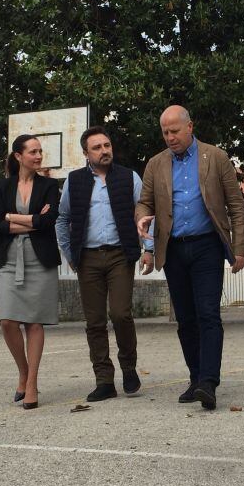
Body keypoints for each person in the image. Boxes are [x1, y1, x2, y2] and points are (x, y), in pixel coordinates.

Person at [136, 105, 244, 410]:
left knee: (208, 314)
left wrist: (239, 249)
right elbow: (144, 203)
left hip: (207, 246)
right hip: (172, 249)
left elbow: (236, 206)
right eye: (165, 132)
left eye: (175, 131)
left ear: (190, 127)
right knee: (185, 319)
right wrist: (143, 218)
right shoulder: (156, 164)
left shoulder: (216, 157)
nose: (170, 137)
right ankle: (196, 377)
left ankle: (209, 382)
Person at [56, 126, 155, 402]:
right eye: (97, 147)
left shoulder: (128, 177)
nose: (104, 151)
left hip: (120, 255)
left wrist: (149, 248)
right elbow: (62, 219)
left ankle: (129, 368)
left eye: (107, 145)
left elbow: (146, 213)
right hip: (87, 258)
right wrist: (69, 253)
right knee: (95, 321)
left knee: (121, 313)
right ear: (86, 153)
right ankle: (104, 380)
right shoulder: (74, 181)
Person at [0, 134, 62, 409]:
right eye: (33, 151)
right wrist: (31, 221)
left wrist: (11, 216)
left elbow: (49, 221)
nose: (39, 156)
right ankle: (23, 371)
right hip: (8, 258)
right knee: (7, 321)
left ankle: (32, 384)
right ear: (18, 156)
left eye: (40, 151)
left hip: (39, 259)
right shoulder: (3, 187)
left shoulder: (50, 186)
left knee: (34, 322)